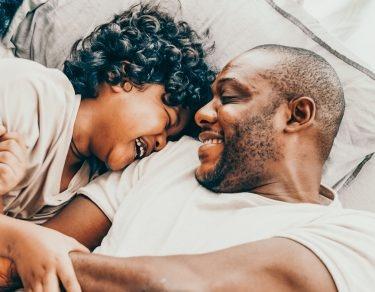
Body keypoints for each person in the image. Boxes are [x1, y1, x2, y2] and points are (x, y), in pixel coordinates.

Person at [3, 45, 375, 291]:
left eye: (228, 97)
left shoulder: (352, 237)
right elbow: (14, 262)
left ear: (297, 115)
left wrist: (37, 251)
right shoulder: (171, 160)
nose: (202, 114)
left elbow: (181, 286)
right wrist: (25, 246)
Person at [0, 4, 214, 292]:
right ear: (125, 74)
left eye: (169, 138)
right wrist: (20, 238)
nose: (161, 142)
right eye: (167, 119)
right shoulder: (29, 94)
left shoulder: (82, 185)